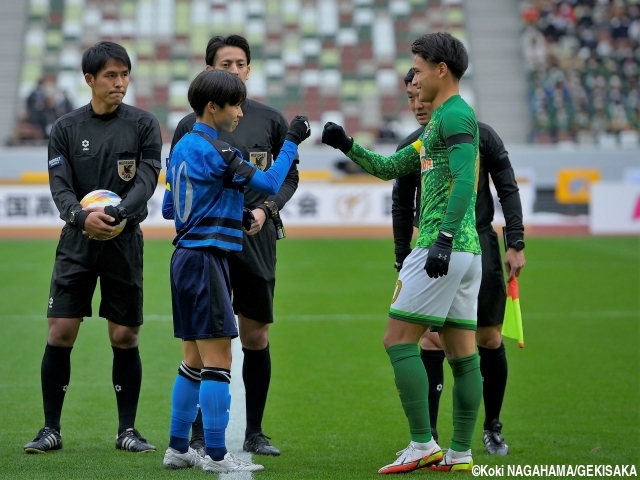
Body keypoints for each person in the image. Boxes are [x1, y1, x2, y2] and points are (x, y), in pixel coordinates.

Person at [322, 32, 482, 473]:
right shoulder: (440, 123)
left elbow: (467, 181)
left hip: (441, 244)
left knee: (397, 340)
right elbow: (393, 168)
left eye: (418, 67)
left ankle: (421, 443)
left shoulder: (454, 116)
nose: (414, 76)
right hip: (467, 254)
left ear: (440, 70)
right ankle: (461, 452)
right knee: (462, 354)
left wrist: (444, 239)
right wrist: (346, 145)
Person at [160, 69, 310, 473]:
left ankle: (178, 447)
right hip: (207, 259)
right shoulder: (218, 150)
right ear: (214, 107)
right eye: (236, 104)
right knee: (219, 359)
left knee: (192, 359)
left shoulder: (182, 148)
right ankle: (215, 453)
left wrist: (228, 210)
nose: (241, 112)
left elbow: (170, 209)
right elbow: (268, 182)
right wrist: (292, 141)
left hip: (185, 257)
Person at [24, 41, 162, 454]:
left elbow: (149, 178)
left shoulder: (143, 124)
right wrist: (81, 217)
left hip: (124, 242)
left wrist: (119, 214)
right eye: (110, 76)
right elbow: (59, 185)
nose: (120, 83)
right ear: (90, 80)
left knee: (124, 335)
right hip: (77, 241)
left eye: (124, 75)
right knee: (61, 331)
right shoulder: (66, 128)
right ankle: (50, 429)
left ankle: (127, 431)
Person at [392, 70, 527, 455]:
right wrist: (402, 256)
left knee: (488, 338)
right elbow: (401, 205)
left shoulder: (480, 134)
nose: (417, 104)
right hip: (430, 251)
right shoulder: (414, 144)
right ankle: (428, 437)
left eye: (421, 95)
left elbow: (507, 187)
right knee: (432, 342)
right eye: (410, 97)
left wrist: (515, 242)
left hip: (476, 245)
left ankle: (492, 426)